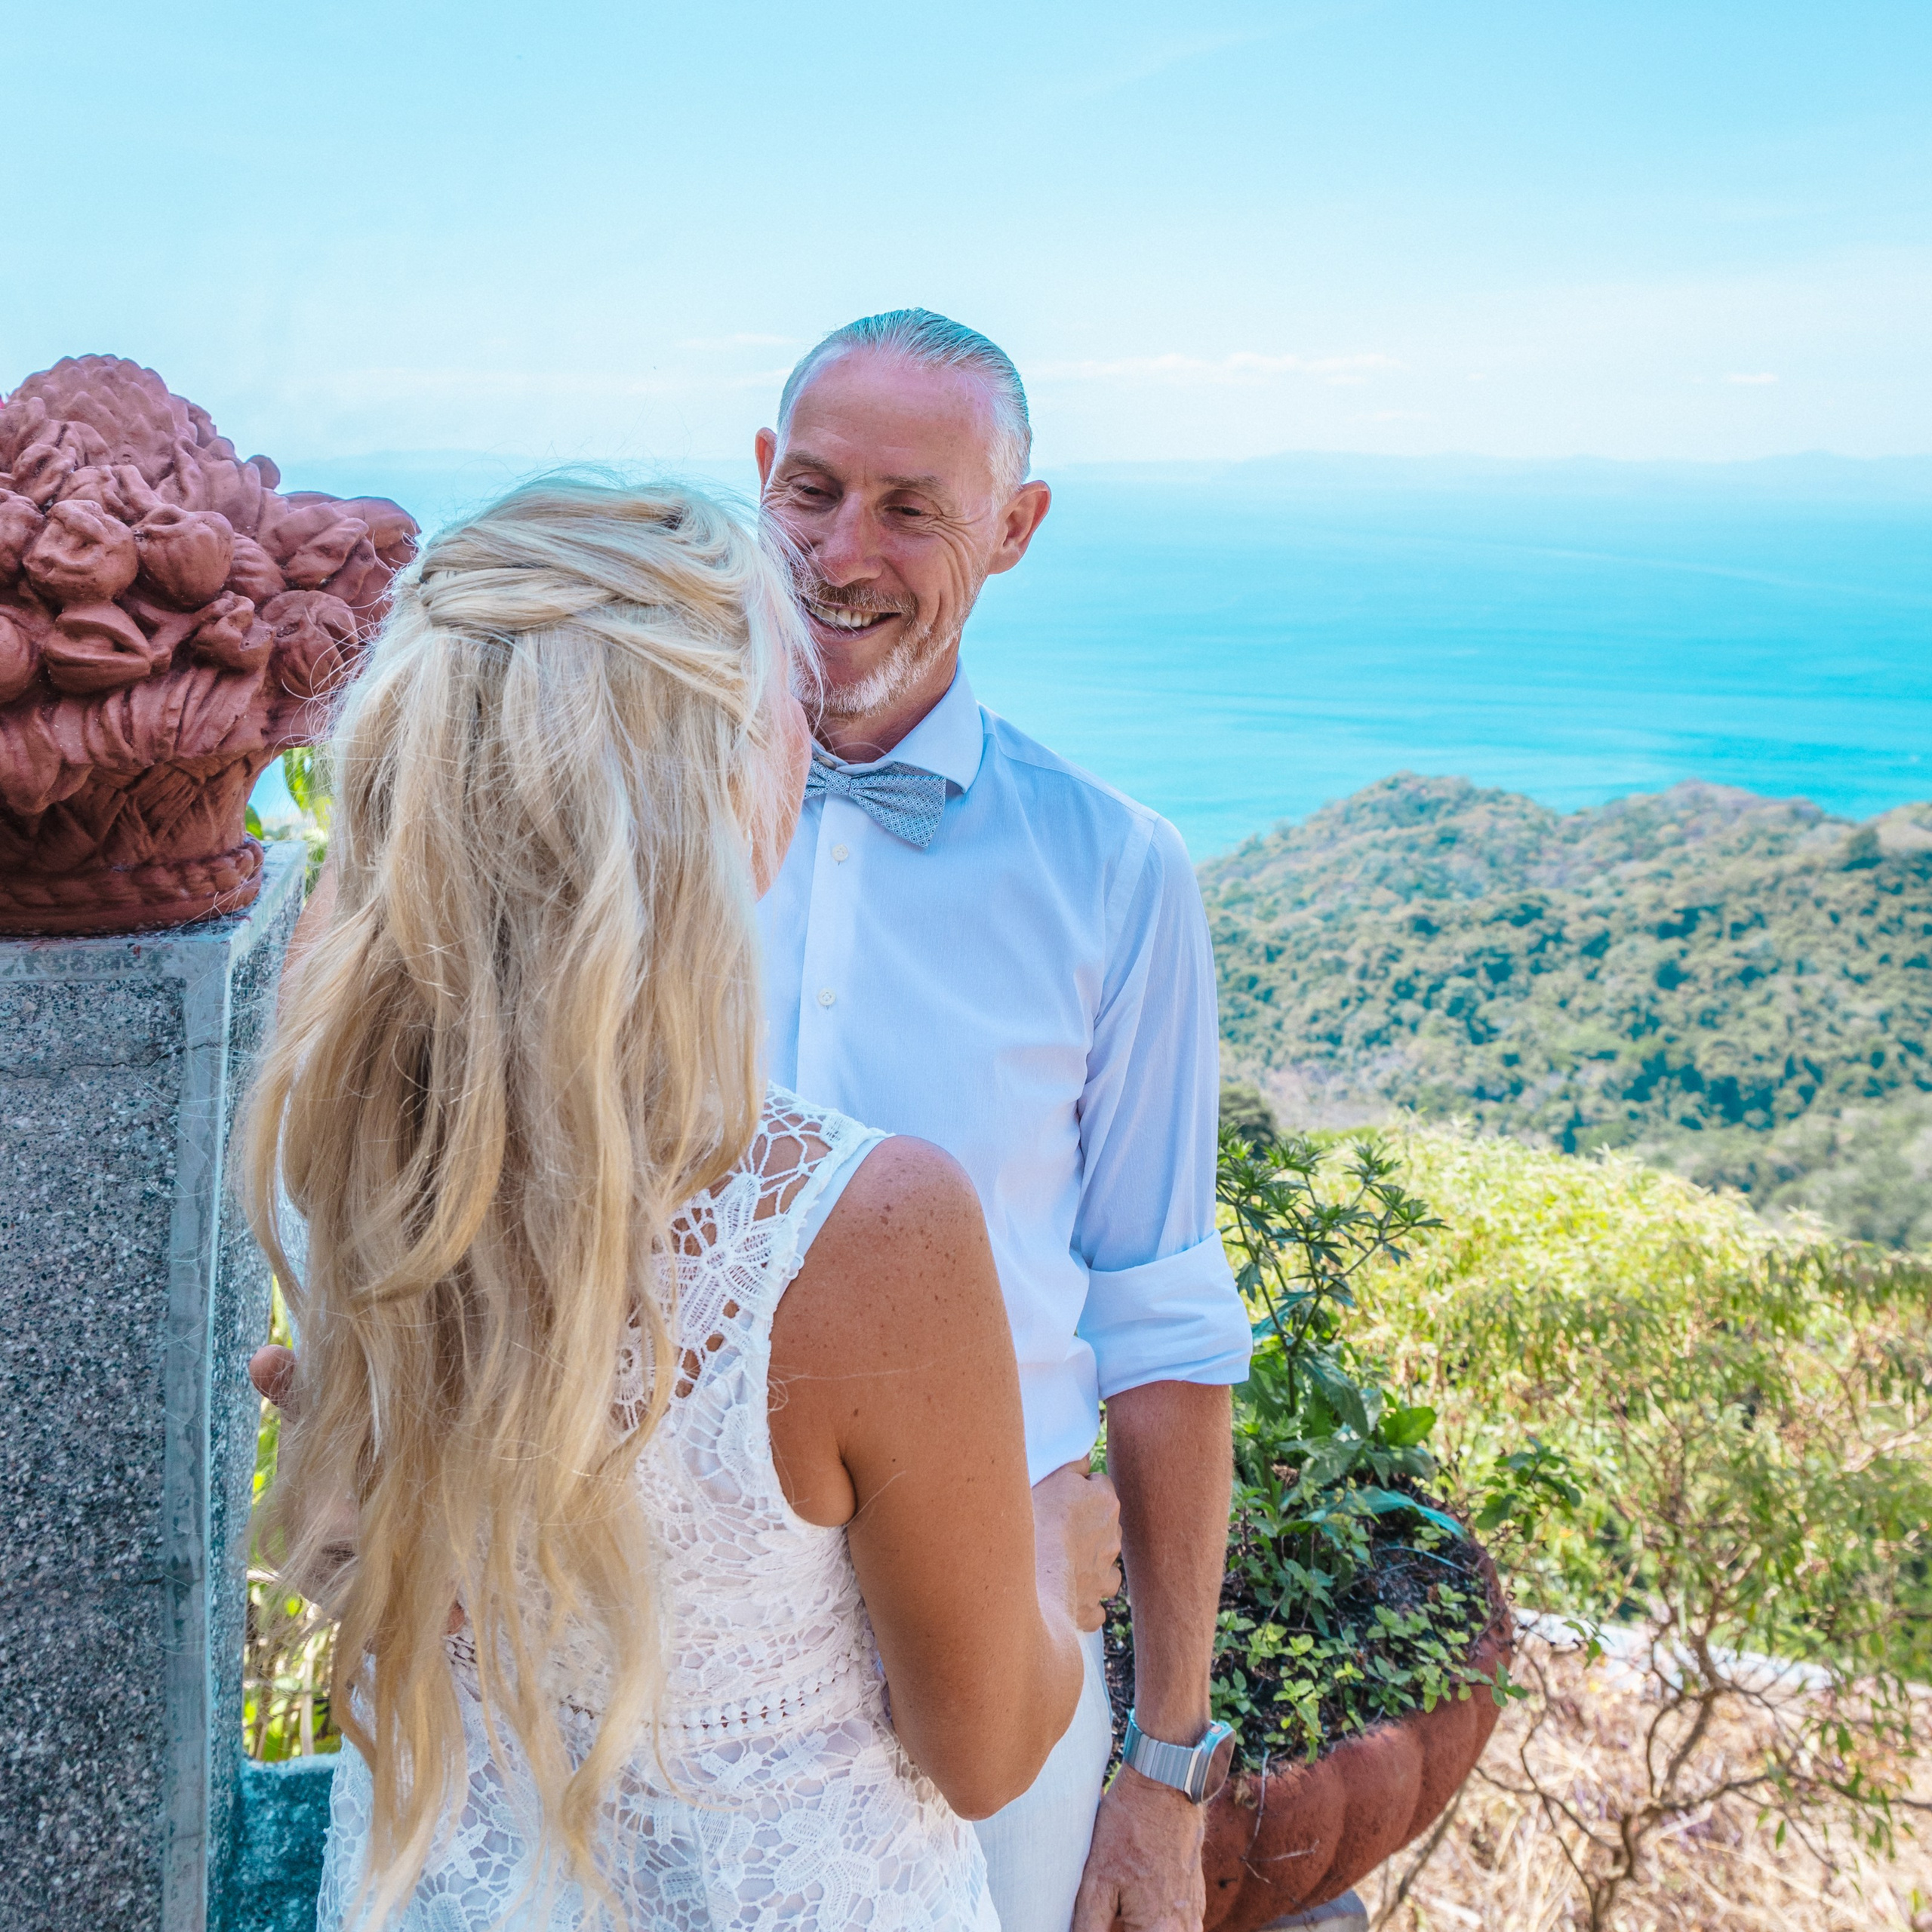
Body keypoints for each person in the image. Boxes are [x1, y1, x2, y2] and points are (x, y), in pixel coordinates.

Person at [242, 479, 1121, 1930]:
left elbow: (356, 1540)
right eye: (785, 711)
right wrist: (1047, 1562)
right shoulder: (855, 1229)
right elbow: (983, 1753)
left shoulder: (336, 1121)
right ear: (709, 800)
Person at [754, 310, 1251, 1932]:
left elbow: (1160, 1319)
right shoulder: (623, 816)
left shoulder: (1116, 872)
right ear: (760, 476)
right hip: (656, 1623)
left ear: (1015, 527)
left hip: (1007, 1651)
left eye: (913, 509)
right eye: (813, 490)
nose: (843, 553)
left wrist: (1162, 1776)